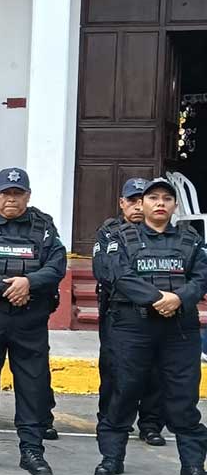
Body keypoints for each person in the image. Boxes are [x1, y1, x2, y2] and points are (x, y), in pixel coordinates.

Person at [96, 178, 207, 475]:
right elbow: (119, 276)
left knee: (183, 397)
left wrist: (179, 298)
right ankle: (111, 457)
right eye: (153, 198)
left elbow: (201, 277)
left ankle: (194, 464)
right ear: (140, 204)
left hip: (179, 328)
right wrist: (157, 298)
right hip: (132, 327)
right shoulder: (120, 237)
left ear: (174, 206)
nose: (160, 203)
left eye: (167, 199)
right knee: (124, 390)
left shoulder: (191, 240)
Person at [0, 167, 66, 475]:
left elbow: (57, 265)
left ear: (27, 196)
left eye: (17, 194)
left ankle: (32, 451)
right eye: (5, 193)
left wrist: (28, 283)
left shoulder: (43, 225)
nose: (11, 199)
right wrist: (10, 288)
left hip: (29, 318)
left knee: (32, 386)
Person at [93, 177, 166, 447]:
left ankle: (150, 424)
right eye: (131, 201)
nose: (136, 206)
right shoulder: (110, 232)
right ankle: (109, 418)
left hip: (158, 311)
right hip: (119, 310)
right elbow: (104, 270)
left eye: (141, 200)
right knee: (113, 367)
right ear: (121, 203)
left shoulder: (163, 232)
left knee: (155, 369)